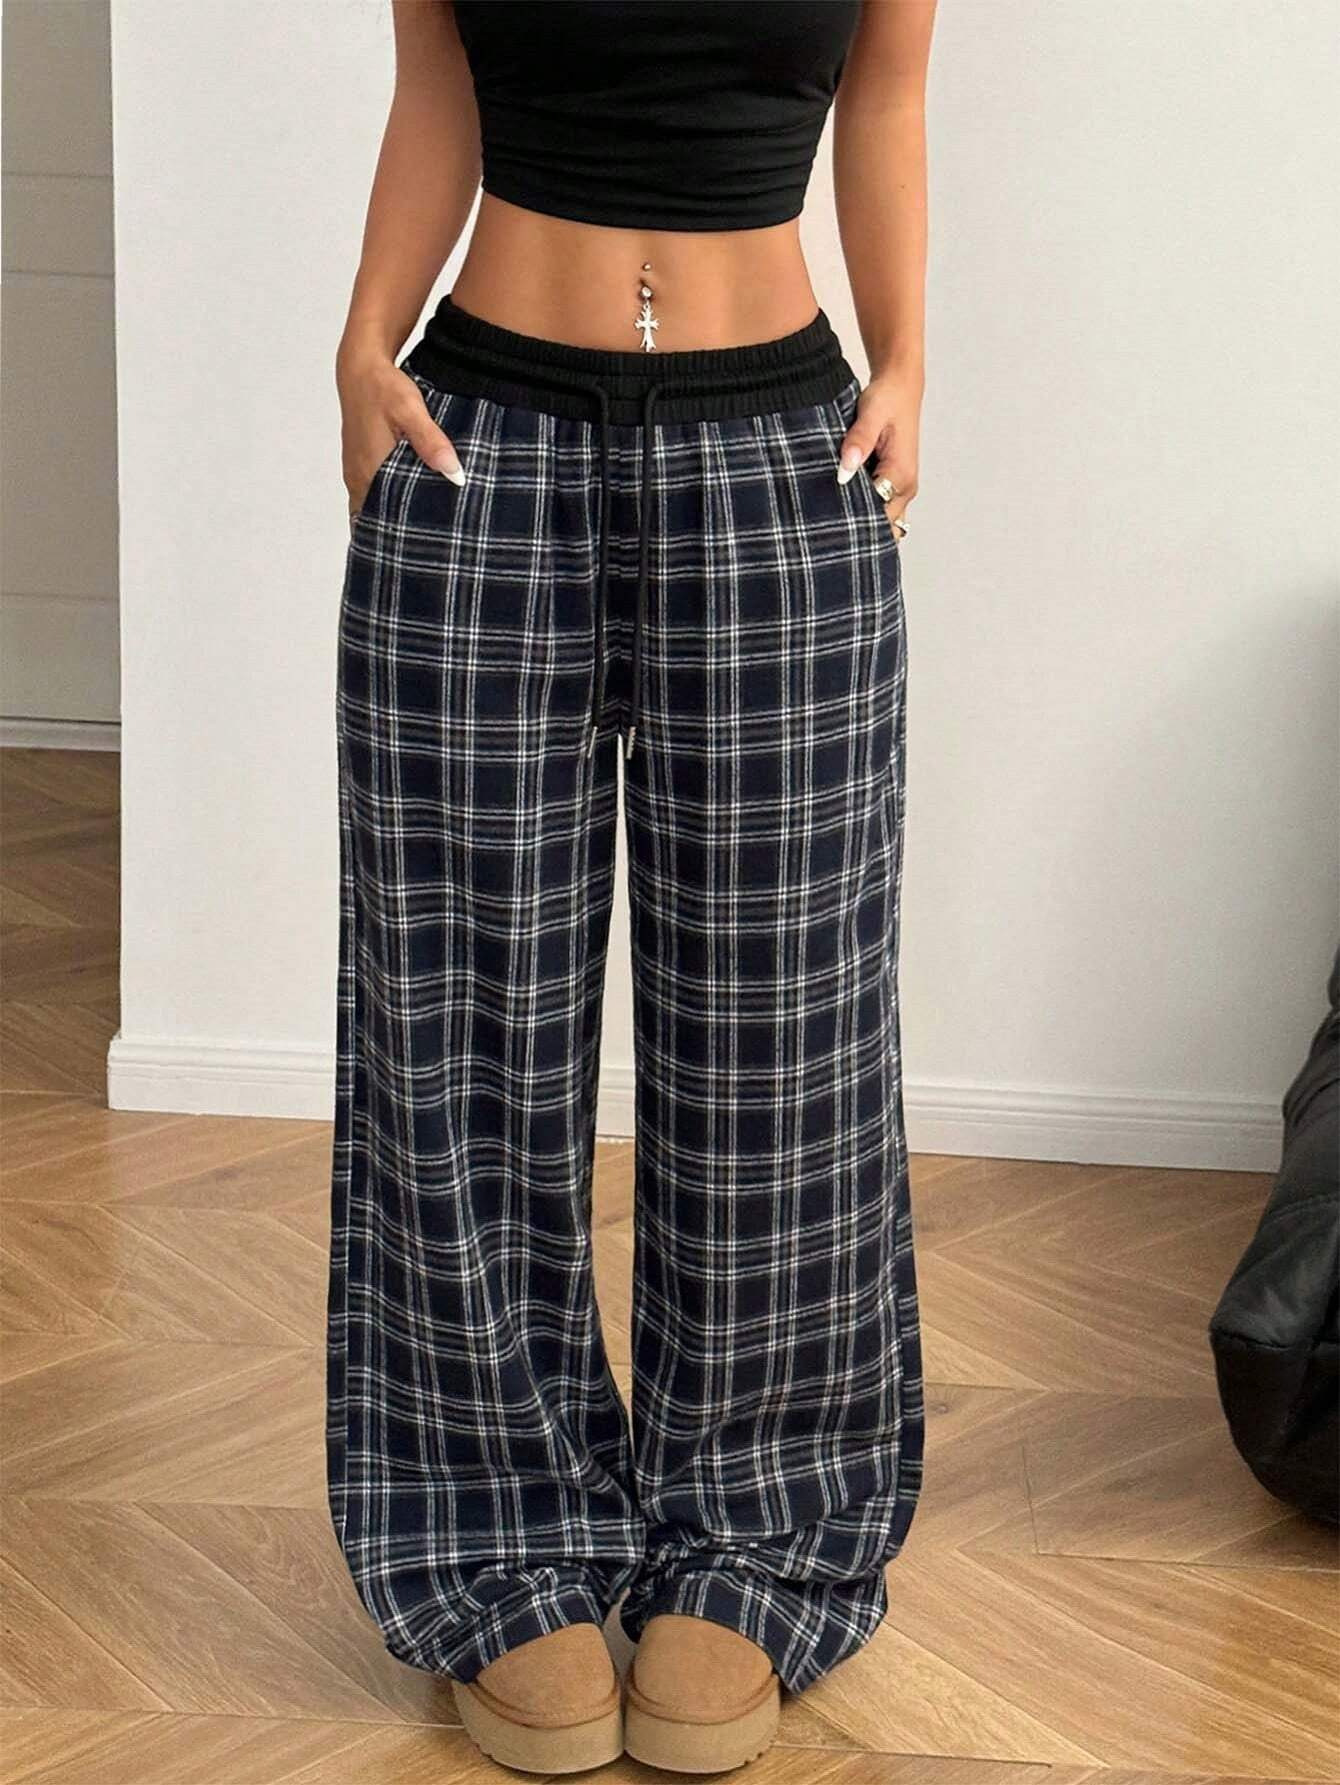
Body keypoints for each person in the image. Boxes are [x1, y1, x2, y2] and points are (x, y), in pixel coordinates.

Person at [328, 0, 935, 1772]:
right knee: (457, 1030)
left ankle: (752, 1527)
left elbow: (887, 94)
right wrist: (363, 343)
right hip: (483, 448)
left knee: (782, 1045)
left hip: (780, 459)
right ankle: (488, 1529)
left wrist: (911, 357)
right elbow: (435, 82)